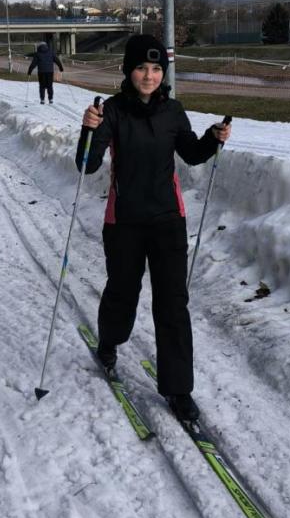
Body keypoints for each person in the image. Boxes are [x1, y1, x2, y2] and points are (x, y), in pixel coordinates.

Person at [76, 33, 231, 422]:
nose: (149, 76)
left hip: (167, 221)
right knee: (122, 292)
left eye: (157, 68)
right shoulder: (110, 111)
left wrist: (212, 139)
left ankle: (179, 389)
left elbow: (192, 155)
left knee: (173, 304)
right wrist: (88, 129)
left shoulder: (174, 111)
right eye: (142, 68)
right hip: (124, 221)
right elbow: (86, 165)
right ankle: (109, 341)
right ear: (128, 71)